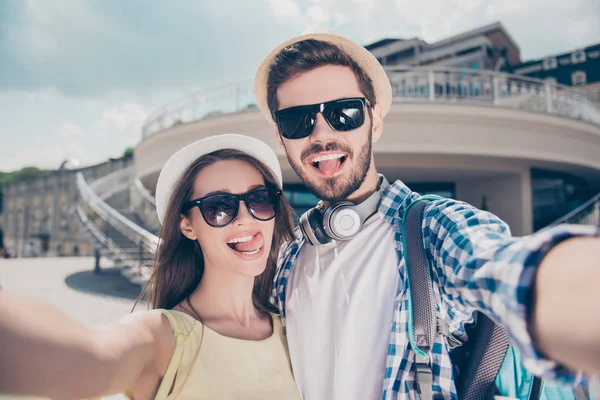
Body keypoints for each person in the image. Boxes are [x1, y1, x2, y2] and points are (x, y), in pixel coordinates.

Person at [253, 28, 600, 399]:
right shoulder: (287, 262)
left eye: (344, 113)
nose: (321, 134)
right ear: (279, 136)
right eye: (297, 120)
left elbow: (506, 269)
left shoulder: (433, 230)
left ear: (376, 120)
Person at [0, 134, 302, 400]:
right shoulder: (162, 337)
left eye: (258, 199)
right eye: (219, 207)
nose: (245, 217)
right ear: (187, 226)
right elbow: (87, 357)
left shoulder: (293, 330)